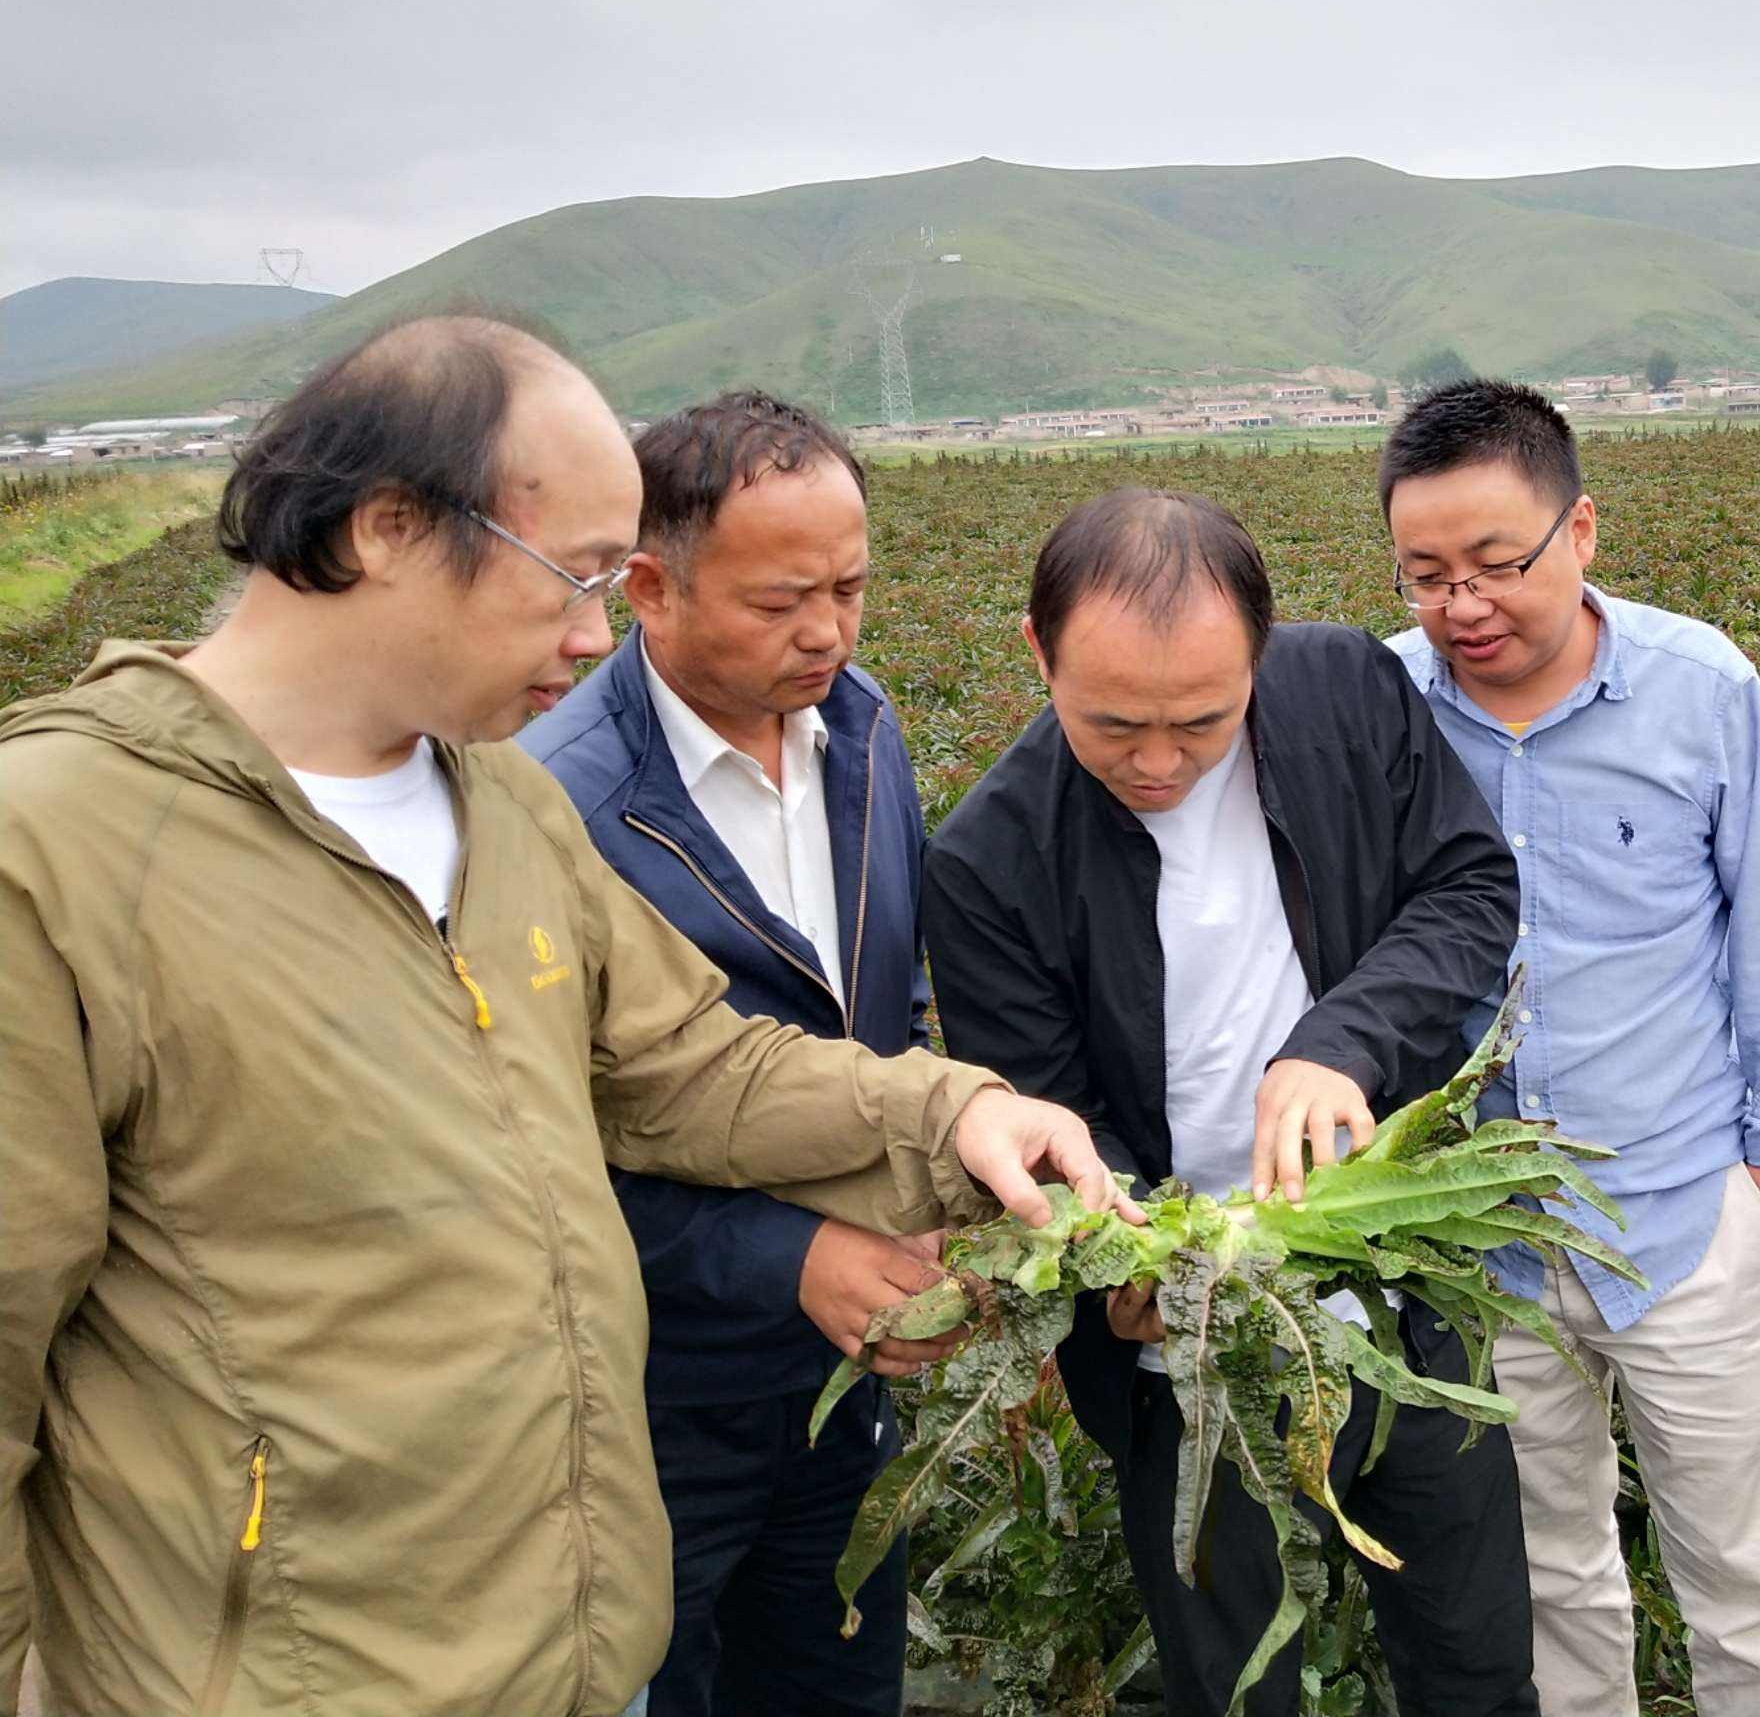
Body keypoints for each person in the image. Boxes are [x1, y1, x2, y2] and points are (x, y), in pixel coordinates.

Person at [0, 315, 1128, 1717]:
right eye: (573, 578)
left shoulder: (503, 806)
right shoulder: (58, 851)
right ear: (389, 528)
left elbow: (689, 1067)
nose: (598, 635)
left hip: (565, 1653)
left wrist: (955, 1112)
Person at [918, 488, 1538, 1717]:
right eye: (1113, 724)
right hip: (1184, 1355)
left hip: (1400, 1292)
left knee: (1476, 1662)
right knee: (1235, 1678)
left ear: (1259, 651)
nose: (1158, 761)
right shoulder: (988, 859)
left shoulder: (1346, 691)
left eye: (1203, 720)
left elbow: (1469, 888)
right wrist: (1126, 1243)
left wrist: (1342, 1044)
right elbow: (1044, 1111)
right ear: (1039, 652)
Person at [1378, 380, 1760, 1717]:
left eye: (1494, 564)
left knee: (1748, 1598)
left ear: (1578, 530)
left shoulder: (1700, 688)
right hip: (1482, 1244)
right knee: (1546, 1592)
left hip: (1683, 1217)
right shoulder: (1385, 701)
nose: (1463, 604)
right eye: (1427, 576)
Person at [523, 392, 943, 1717]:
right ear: (649, 586)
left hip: (844, 1389)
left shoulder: (861, 729)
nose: (827, 631)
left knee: (836, 1679)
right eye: (780, 601)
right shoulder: (559, 805)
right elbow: (531, 1153)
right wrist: (786, 1256)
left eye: (850, 588)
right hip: (654, 1405)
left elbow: (889, 1009)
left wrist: (925, 1199)